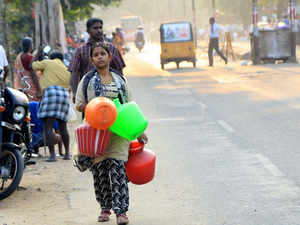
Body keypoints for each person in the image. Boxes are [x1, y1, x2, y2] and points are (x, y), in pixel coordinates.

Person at [75, 42, 148, 225]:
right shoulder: (87, 80)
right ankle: (104, 208)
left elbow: (129, 107)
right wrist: (96, 107)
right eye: (96, 54)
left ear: (109, 57)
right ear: (92, 59)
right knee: (99, 173)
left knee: (117, 171)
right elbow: (79, 104)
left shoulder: (120, 80)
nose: (99, 57)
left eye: (103, 54)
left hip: (118, 133)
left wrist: (139, 132)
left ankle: (121, 212)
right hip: (95, 134)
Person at [69, 18, 126, 103]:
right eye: (95, 28)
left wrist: (123, 93)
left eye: (100, 28)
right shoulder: (80, 51)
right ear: (88, 31)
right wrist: (75, 94)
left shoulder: (112, 49)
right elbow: (74, 73)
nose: (99, 30)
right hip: (89, 97)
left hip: (112, 96)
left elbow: (119, 72)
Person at [32, 50, 71, 162]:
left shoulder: (48, 62)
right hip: (64, 94)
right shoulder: (66, 68)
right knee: (63, 127)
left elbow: (33, 66)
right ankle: (67, 153)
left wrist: (36, 55)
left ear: (51, 57)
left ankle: (52, 155)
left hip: (50, 93)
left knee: (48, 126)